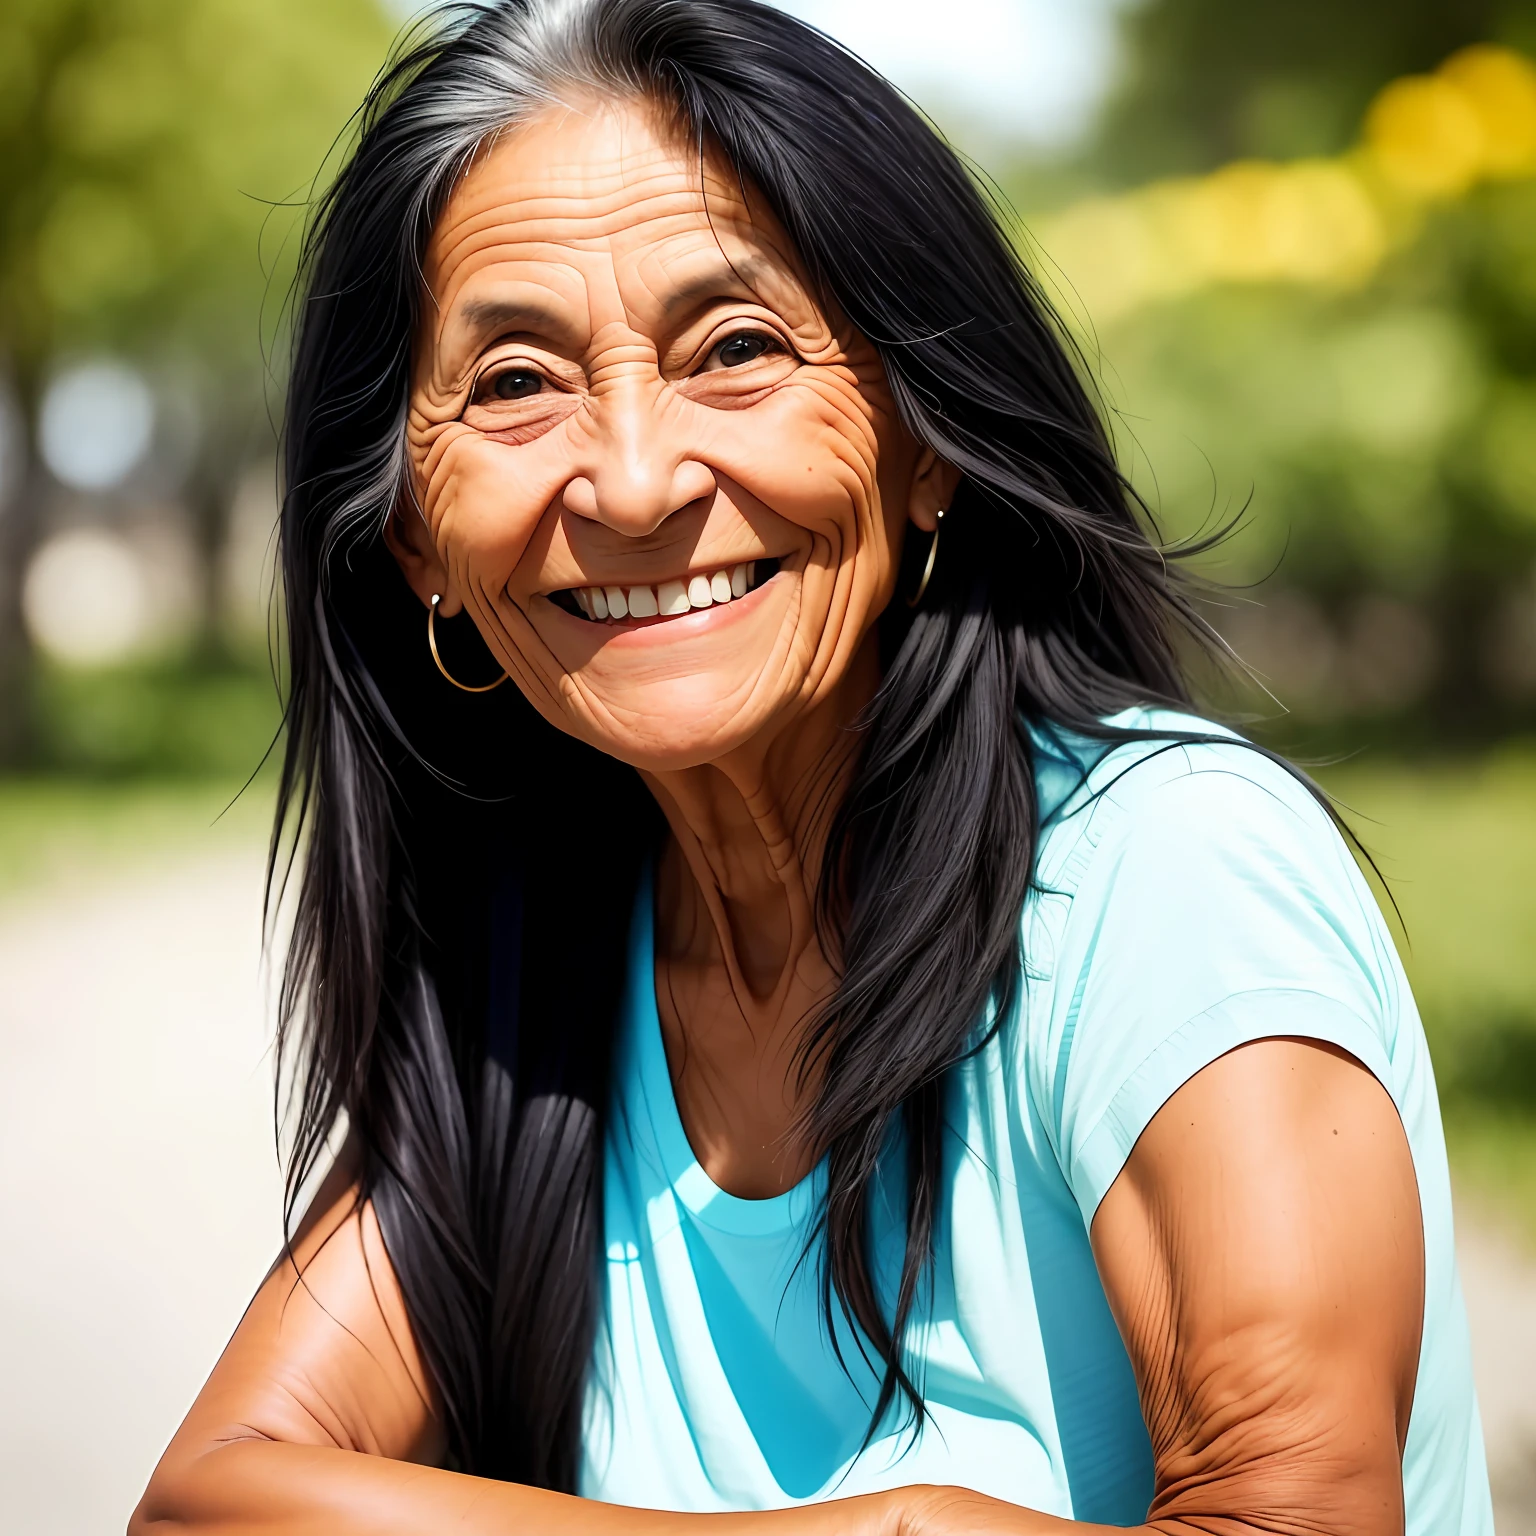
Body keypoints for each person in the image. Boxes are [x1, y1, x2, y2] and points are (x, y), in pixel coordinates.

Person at [133, 1, 1492, 1532]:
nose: (635, 481)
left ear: (929, 442)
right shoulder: (543, 964)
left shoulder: (1164, 871)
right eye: (515, 382)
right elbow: (212, 1502)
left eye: (737, 349)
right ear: (414, 540)